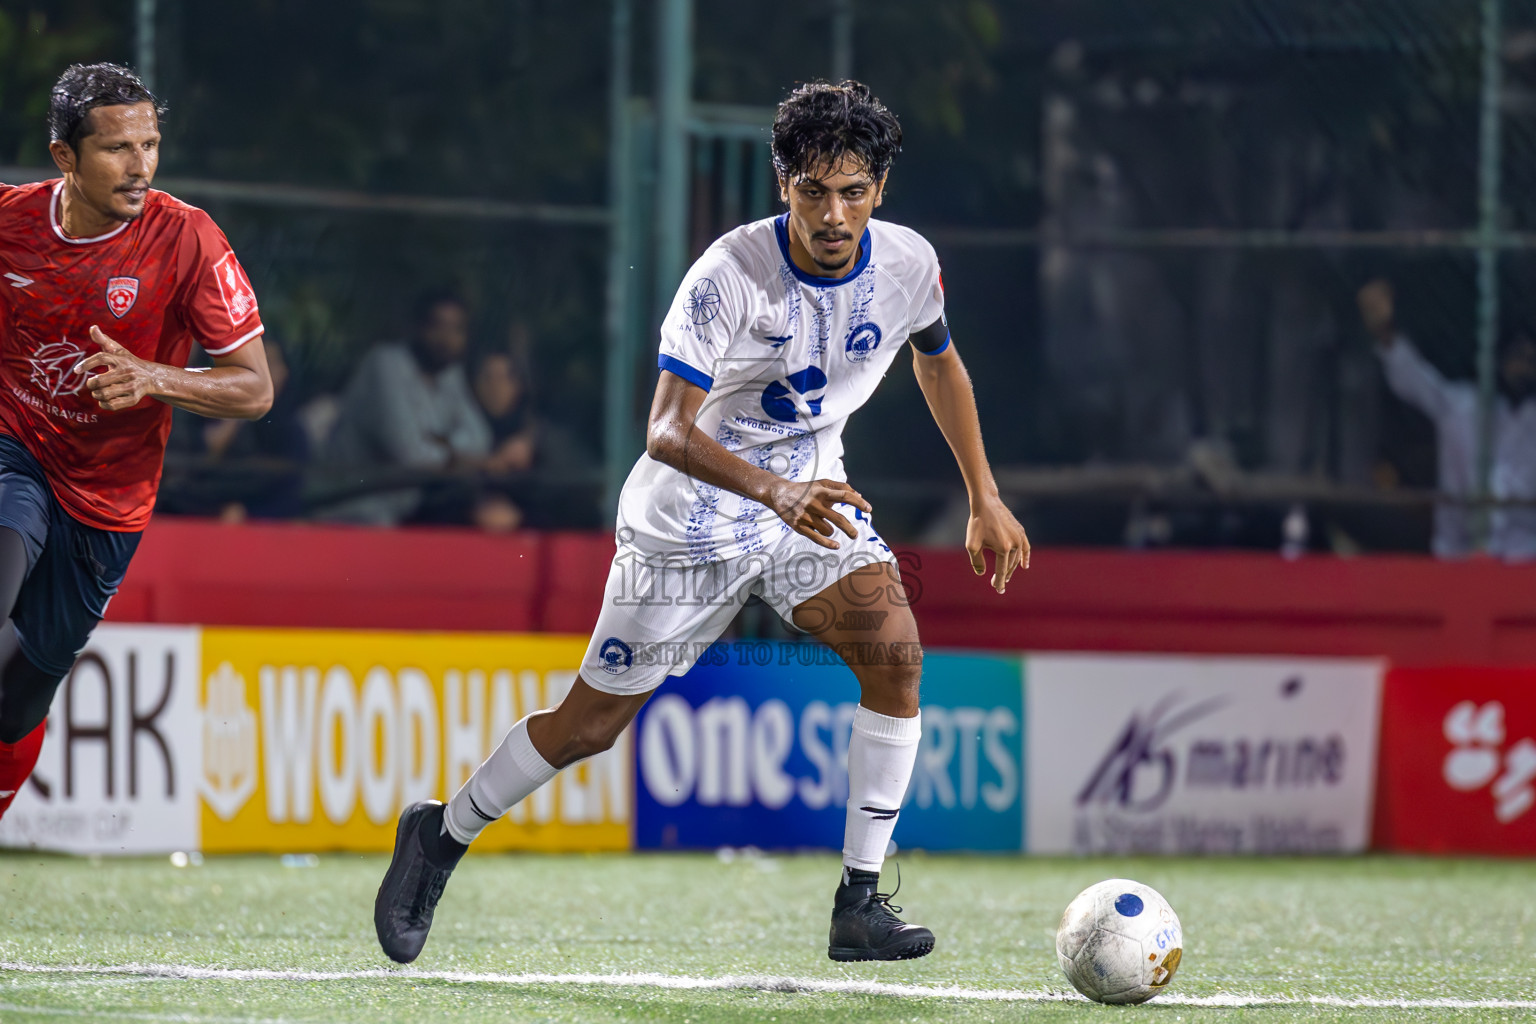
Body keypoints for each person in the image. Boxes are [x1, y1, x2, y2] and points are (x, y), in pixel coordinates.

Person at [375, 81, 1030, 965]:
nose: (831, 214)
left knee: (894, 653)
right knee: (589, 727)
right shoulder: (727, 276)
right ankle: (440, 834)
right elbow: (666, 430)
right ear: (782, 184)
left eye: (851, 191)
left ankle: (859, 902)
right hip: (689, 520)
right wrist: (771, 490)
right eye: (811, 192)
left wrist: (984, 493)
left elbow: (939, 363)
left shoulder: (909, 264)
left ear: (880, 188)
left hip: (808, 497)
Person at [0, 64, 273, 823]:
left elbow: (254, 388)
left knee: (15, 706)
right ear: (65, 158)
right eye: (119, 148)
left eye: (150, 144)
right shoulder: (10, 223)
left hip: (110, 498)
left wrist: (155, 377)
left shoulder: (185, 237)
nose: (141, 165)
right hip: (13, 448)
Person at [1358, 279, 1536, 560]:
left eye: (1531, 359)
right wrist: (1384, 330)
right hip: (1459, 559)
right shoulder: (1463, 406)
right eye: (1517, 357)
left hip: (1527, 564)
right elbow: (1413, 379)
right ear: (1499, 360)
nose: (1524, 367)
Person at [321, 289, 492, 525]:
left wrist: (442, 445)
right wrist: (458, 455)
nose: (446, 338)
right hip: (354, 513)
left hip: (410, 512)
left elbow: (480, 440)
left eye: (457, 330)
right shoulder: (385, 364)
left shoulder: (449, 375)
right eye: (438, 326)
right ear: (418, 328)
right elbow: (411, 455)